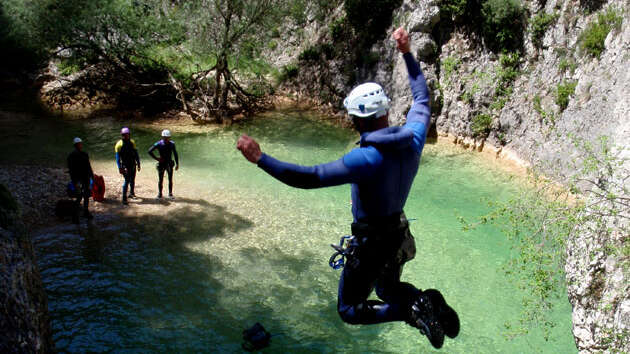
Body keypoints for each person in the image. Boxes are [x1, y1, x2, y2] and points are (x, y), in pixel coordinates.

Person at [236, 28, 459, 349]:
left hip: (371, 246)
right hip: (399, 235)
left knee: (349, 310)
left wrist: (260, 158)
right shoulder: (412, 139)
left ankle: (413, 311)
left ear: (357, 120)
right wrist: (407, 53)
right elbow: (422, 97)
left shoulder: (364, 159)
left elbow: (308, 177)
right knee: (386, 289)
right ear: (384, 111)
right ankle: (425, 301)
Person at [67, 137, 94, 223]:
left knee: (86, 195)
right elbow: (71, 170)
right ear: (76, 145)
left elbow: (89, 166)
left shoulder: (84, 154)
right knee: (79, 197)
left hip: (85, 178)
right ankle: (75, 216)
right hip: (78, 179)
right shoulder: (71, 156)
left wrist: (92, 176)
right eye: (79, 144)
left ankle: (85, 212)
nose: (80, 145)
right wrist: (74, 182)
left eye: (80, 144)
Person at [148, 129, 179, 199]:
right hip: (162, 164)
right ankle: (160, 194)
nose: (167, 139)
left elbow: (175, 154)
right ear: (162, 137)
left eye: (168, 137)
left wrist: (177, 164)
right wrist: (157, 158)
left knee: (170, 179)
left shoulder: (172, 144)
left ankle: (170, 194)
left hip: (169, 163)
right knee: (160, 179)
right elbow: (149, 151)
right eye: (165, 138)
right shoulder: (158, 144)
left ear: (169, 137)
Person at [115, 127, 141, 205]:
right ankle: (124, 198)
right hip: (125, 166)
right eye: (124, 135)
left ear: (129, 135)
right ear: (122, 135)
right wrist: (119, 167)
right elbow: (117, 158)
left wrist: (138, 163)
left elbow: (136, 153)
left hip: (133, 164)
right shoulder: (119, 144)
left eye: (127, 135)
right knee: (127, 181)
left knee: (132, 180)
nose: (126, 136)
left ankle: (132, 194)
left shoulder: (132, 142)